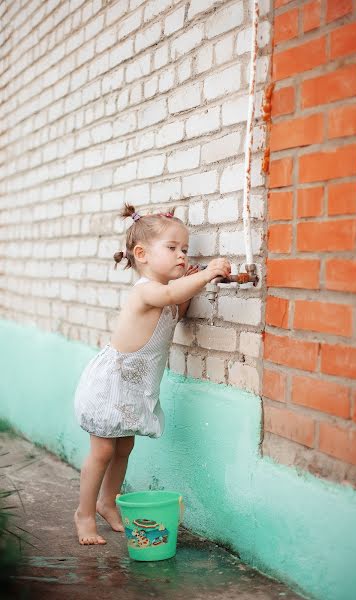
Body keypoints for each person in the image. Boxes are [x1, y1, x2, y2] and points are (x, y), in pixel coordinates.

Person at [73, 204, 231, 545]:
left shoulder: (169, 293)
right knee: (101, 452)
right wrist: (204, 274)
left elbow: (179, 303)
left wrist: (195, 279)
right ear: (141, 255)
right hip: (111, 383)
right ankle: (83, 514)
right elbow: (171, 294)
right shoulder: (146, 290)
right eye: (172, 248)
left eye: (185, 249)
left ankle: (107, 502)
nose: (181, 255)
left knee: (124, 447)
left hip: (133, 388)